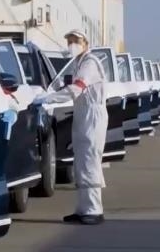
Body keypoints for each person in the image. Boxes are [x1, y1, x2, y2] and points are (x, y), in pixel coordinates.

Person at [31, 30, 107, 225]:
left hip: (92, 115)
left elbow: (75, 89)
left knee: (89, 161)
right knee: (81, 161)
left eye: (76, 41)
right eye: (69, 41)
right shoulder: (78, 63)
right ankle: (83, 209)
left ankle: (94, 210)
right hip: (82, 114)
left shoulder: (89, 63)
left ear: (86, 43)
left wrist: (49, 99)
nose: (72, 44)